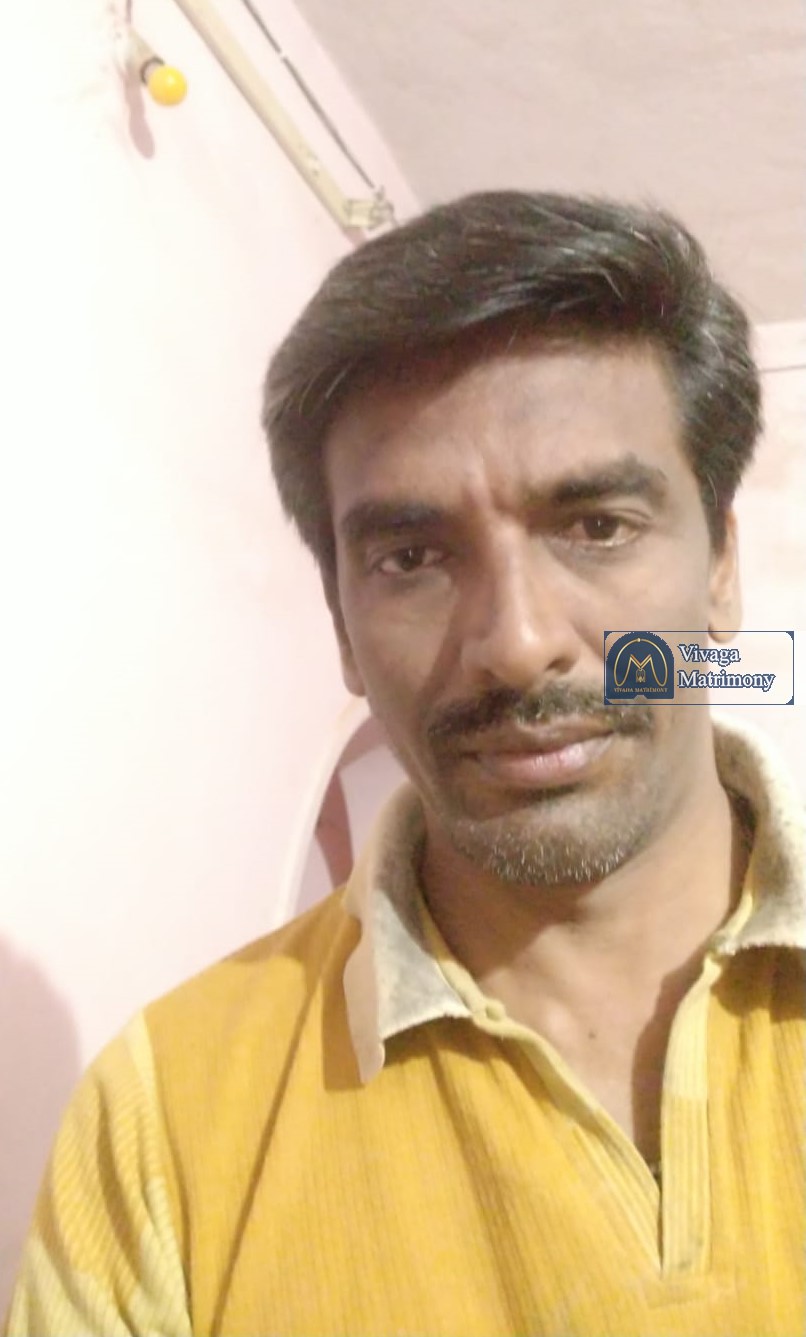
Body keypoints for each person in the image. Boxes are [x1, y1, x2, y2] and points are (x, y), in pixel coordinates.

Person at [4, 192, 804, 1337]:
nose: (516, 641)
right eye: (412, 556)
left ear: (719, 570)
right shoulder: (164, 1115)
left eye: (595, 525)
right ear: (341, 625)